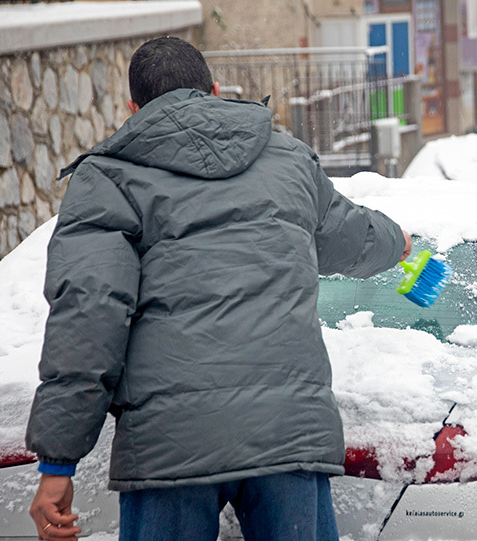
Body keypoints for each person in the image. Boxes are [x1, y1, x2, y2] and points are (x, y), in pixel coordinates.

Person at [25, 36, 411, 541]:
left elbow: (88, 313)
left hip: (170, 448)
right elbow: (349, 235)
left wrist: (59, 464)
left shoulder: (107, 180)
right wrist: (398, 241)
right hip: (286, 433)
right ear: (212, 89)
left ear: (133, 108)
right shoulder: (288, 160)